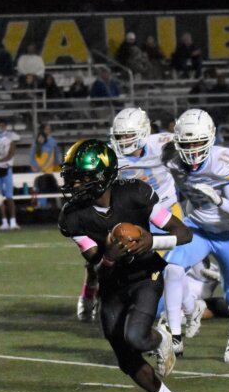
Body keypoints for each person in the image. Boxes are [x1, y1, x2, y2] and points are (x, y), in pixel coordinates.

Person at [57, 139, 193, 392]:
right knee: (124, 356)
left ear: (102, 176)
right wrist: (109, 256)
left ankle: (162, 339)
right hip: (112, 283)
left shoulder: (135, 194)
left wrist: (151, 241)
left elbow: (184, 233)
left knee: (137, 337)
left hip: (146, 275)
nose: (75, 184)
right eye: (73, 177)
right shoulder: (73, 216)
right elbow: (97, 265)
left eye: (81, 177)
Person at [161, 109, 229, 362]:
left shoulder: (224, 162)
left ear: (210, 138)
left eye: (197, 142)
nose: (191, 150)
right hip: (198, 228)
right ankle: (175, 336)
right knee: (172, 267)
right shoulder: (172, 160)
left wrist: (219, 200)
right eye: (186, 143)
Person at [76, 107, 178, 323]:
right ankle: (89, 292)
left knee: (168, 260)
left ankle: (176, 301)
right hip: (127, 213)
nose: (123, 140)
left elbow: (191, 142)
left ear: (143, 132)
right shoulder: (108, 156)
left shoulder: (161, 143)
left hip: (164, 210)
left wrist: (178, 150)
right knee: (99, 257)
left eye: (128, 135)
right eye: (119, 136)